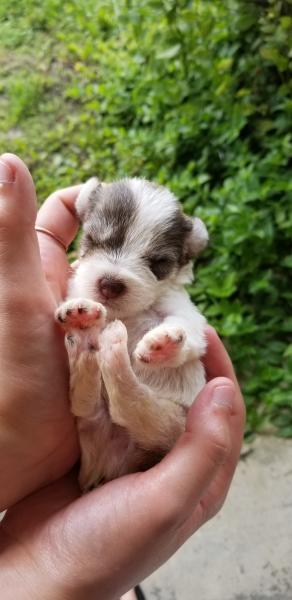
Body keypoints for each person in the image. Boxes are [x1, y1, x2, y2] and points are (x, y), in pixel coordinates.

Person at [0, 154, 245, 600]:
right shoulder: (79, 289)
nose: (113, 277)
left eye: (154, 263)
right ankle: (106, 370)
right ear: (85, 226)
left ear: (183, 260)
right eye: (97, 243)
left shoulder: (166, 303)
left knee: (154, 415)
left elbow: (193, 333)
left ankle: (116, 376)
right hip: (95, 444)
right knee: (87, 405)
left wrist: (177, 342)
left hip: (152, 433)